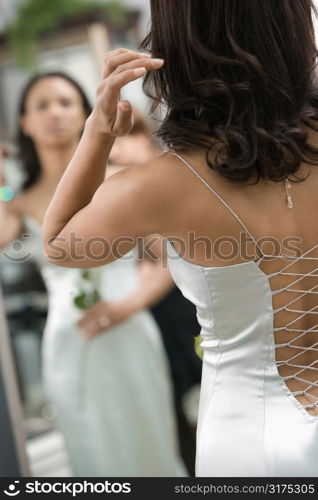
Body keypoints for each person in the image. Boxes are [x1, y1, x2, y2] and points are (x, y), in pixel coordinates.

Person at [42, 1, 318, 477]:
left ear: (179, 45)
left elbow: (59, 244)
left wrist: (98, 131)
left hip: (248, 441)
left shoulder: (157, 185)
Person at [0, 71, 187, 477]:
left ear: (86, 113)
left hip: (130, 330)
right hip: (70, 342)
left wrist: (127, 305)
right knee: (92, 453)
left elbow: (164, 260)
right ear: (24, 123)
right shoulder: (18, 203)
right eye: (41, 105)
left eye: (66, 103)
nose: (55, 113)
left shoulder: (121, 182)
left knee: (150, 446)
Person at [109, 110, 202, 476]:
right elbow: (149, 254)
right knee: (173, 403)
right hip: (157, 307)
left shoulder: (164, 171)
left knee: (196, 392)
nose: (120, 150)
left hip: (183, 301)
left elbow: (165, 252)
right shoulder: (124, 181)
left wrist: (130, 302)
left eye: (126, 138)